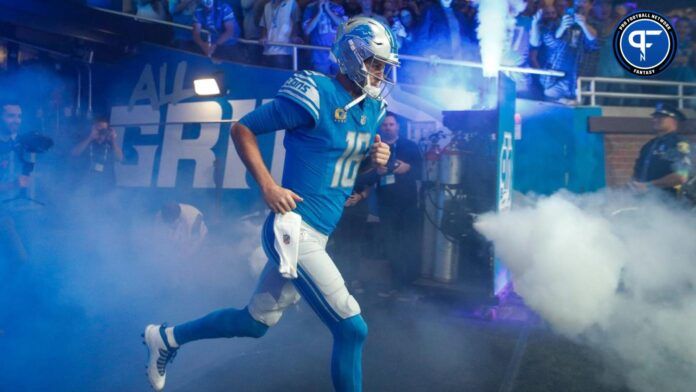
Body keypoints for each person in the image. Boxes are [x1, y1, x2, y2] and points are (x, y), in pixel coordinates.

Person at [143, 17, 399, 392]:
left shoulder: (372, 109)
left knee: (254, 324)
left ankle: (165, 338)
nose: (380, 73)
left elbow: (339, 171)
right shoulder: (317, 91)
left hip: (320, 231)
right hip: (294, 228)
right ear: (351, 56)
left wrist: (374, 160)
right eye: (374, 63)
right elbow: (243, 128)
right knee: (351, 327)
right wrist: (267, 185)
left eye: (383, 65)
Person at [630, 103, 692, 198]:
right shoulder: (649, 145)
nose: (655, 120)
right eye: (655, 117)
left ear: (674, 120)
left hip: (671, 202)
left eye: (661, 117)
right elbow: (637, 174)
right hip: (646, 201)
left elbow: (681, 176)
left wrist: (648, 186)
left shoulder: (679, 143)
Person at [70, 116, 124, 194]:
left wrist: (113, 141)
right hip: (86, 186)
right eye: (99, 129)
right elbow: (74, 153)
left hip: (106, 187)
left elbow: (120, 158)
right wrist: (90, 137)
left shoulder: (110, 144)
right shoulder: (87, 142)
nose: (101, 132)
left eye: (104, 129)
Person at [302, 0, 347, 74]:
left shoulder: (337, 7)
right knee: (322, 80)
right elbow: (307, 30)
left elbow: (343, 26)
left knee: (338, 81)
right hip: (319, 53)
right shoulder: (310, 8)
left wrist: (328, 10)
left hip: (336, 52)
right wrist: (319, 13)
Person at [260, 0, 303, 69]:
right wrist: (264, 36)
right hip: (267, 50)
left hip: (284, 51)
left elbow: (296, 21)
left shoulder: (291, 3)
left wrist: (294, 35)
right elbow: (264, 25)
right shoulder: (267, 6)